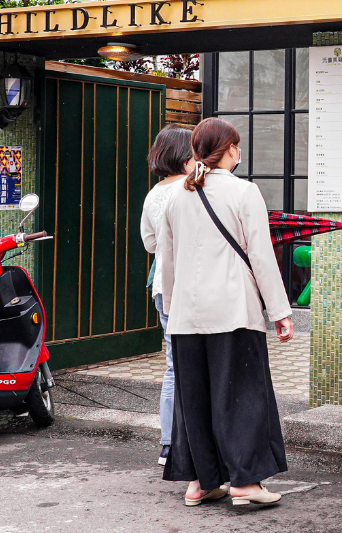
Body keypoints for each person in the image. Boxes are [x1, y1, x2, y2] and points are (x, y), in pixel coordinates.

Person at [156, 117, 296, 507]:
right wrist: (280, 312)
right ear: (230, 149)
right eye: (237, 145)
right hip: (234, 311)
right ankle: (245, 483)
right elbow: (261, 255)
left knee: (194, 400)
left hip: (186, 315)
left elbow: (167, 260)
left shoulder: (176, 195)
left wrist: (172, 309)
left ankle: (200, 483)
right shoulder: (244, 191)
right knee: (242, 396)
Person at [139, 124, 194, 467]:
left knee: (173, 366)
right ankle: (191, 442)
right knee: (195, 365)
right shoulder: (190, 189)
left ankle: (168, 444)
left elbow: (149, 244)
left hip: (162, 285)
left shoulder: (154, 193)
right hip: (189, 286)